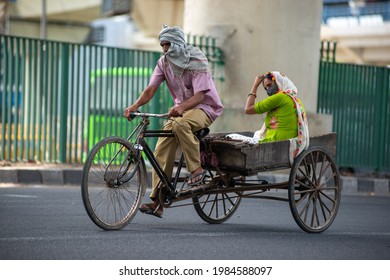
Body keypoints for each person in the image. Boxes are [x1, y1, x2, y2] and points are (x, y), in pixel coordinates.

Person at [123, 25, 223, 218]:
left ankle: (197, 170)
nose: (165, 49)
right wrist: (134, 106)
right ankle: (157, 202)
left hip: (205, 109)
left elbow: (201, 95)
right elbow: (150, 89)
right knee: (161, 149)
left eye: (167, 44)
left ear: (177, 43)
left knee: (180, 125)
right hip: (181, 112)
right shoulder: (163, 63)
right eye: (162, 45)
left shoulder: (196, 59)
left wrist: (182, 107)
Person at [228, 71, 309, 164]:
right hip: (286, 143)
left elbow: (248, 109)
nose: (268, 90)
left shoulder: (280, 97)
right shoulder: (296, 100)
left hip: (274, 143)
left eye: (270, 85)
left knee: (230, 137)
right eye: (266, 88)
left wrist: (255, 85)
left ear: (278, 81)